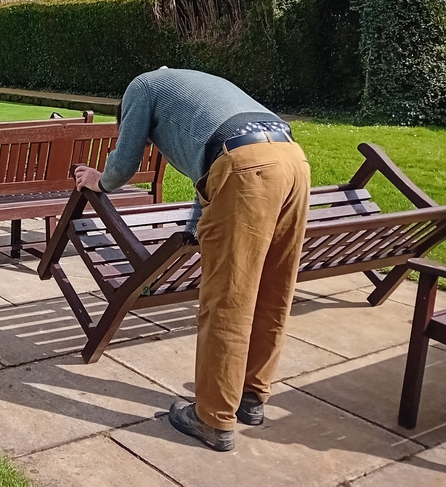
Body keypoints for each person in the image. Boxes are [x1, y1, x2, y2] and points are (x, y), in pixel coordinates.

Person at [73, 68, 309, 452]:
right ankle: (251, 396)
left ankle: (213, 418)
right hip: (292, 159)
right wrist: (196, 232)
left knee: (228, 300)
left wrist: (98, 180)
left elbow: (125, 162)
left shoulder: (141, 87)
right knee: (273, 286)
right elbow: (211, 176)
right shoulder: (190, 84)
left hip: (244, 167)